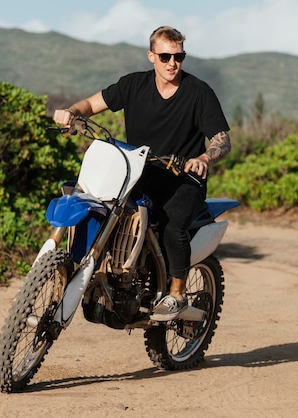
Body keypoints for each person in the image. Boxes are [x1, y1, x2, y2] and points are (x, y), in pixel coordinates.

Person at [53, 26, 231, 321]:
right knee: (104, 205)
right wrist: (71, 112)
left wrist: (203, 158)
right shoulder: (133, 85)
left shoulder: (199, 93)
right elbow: (90, 104)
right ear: (152, 56)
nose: (172, 63)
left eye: (179, 56)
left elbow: (222, 138)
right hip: (138, 173)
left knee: (173, 226)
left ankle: (177, 293)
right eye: (165, 56)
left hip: (183, 179)